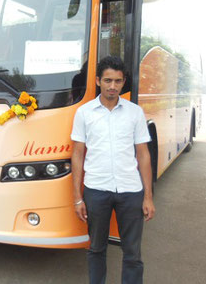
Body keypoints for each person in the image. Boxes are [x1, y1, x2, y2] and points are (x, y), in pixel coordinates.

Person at [70, 56, 155, 284]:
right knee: (96, 249)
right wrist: (78, 198)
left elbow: (143, 154)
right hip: (96, 190)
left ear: (123, 81)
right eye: (107, 80)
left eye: (117, 81)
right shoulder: (84, 113)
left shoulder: (134, 112)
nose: (112, 86)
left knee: (133, 253)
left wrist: (148, 196)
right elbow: (77, 154)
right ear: (98, 80)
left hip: (130, 190)